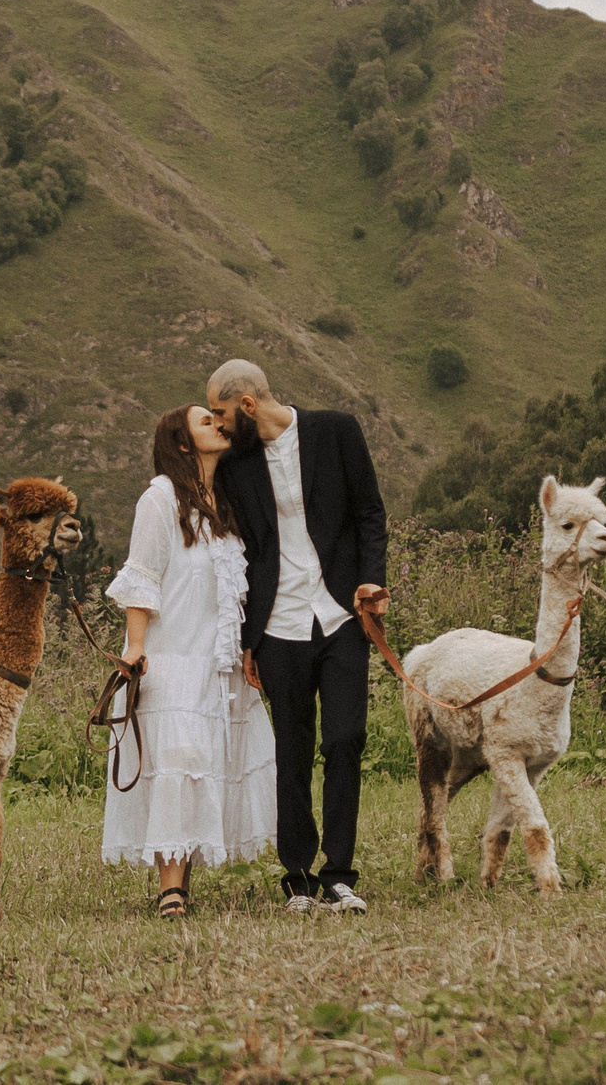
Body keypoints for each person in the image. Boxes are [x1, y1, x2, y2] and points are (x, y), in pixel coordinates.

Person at [206, 358, 388, 914]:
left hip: (341, 616)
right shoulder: (235, 466)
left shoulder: (337, 431)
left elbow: (370, 513)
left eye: (220, 412)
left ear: (247, 405)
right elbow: (240, 551)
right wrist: (247, 637)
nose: (218, 424)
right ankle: (298, 878)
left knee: (345, 739)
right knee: (292, 750)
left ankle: (339, 875)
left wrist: (371, 580)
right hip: (277, 625)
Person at [101, 404, 278, 917]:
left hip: (217, 662)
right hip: (173, 655)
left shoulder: (223, 503)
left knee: (205, 765)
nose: (219, 424)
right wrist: (135, 646)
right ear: (182, 443)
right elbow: (142, 575)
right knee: (177, 762)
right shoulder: (160, 498)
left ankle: (183, 881)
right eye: (206, 421)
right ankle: (171, 889)